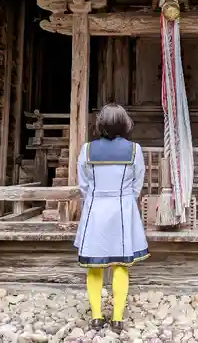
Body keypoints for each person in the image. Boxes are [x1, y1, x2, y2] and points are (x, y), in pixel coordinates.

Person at [73, 103, 149, 333]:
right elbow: (138, 184)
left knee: (94, 266)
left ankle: (96, 316)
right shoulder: (134, 150)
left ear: (100, 124)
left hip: (96, 207)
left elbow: (83, 185)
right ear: (125, 123)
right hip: (123, 208)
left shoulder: (87, 150)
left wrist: (97, 197)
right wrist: (125, 198)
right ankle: (117, 318)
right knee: (120, 264)